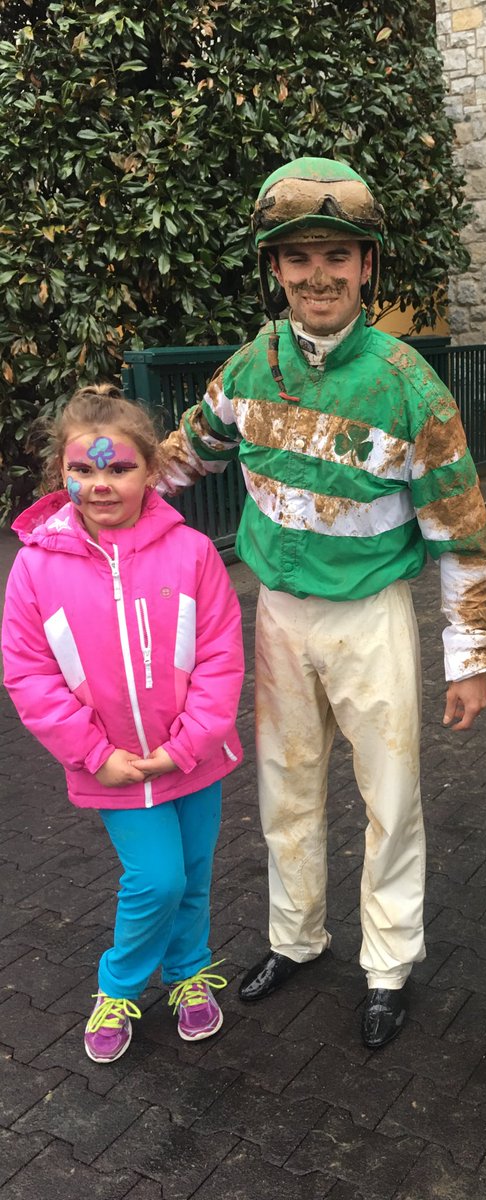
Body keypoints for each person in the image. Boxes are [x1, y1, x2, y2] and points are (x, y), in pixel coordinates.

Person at [159, 157, 486, 1050]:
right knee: (284, 788)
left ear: (366, 266)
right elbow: (183, 457)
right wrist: (99, 501)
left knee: (391, 797)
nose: (318, 276)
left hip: (371, 616)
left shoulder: (410, 386)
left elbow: (462, 532)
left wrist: (469, 661)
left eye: (336, 256)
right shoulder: (249, 366)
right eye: (298, 257)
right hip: (276, 614)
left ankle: (388, 964)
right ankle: (296, 938)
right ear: (275, 270)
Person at [1, 385, 244, 1063]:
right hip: (113, 766)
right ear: (62, 473)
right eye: (83, 470)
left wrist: (190, 742)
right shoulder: (34, 567)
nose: (101, 483)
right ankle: (121, 984)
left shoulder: (192, 552)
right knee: (157, 878)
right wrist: (90, 753)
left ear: (150, 472)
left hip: (194, 757)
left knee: (192, 874)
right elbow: (27, 672)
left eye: (118, 468)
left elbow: (223, 654)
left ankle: (190, 972)